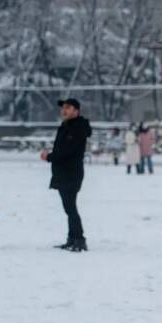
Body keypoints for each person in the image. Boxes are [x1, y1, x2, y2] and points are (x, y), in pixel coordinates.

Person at [40, 97, 91, 252]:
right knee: (69, 207)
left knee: (70, 208)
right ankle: (72, 238)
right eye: (63, 108)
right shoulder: (67, 126)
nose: (64, 110)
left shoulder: (77, 128)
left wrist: (49, 157)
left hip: (71, 173)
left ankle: (79, 239)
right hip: (64, 172)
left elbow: (67, 152)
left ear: (76, 111)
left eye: (68, 107)